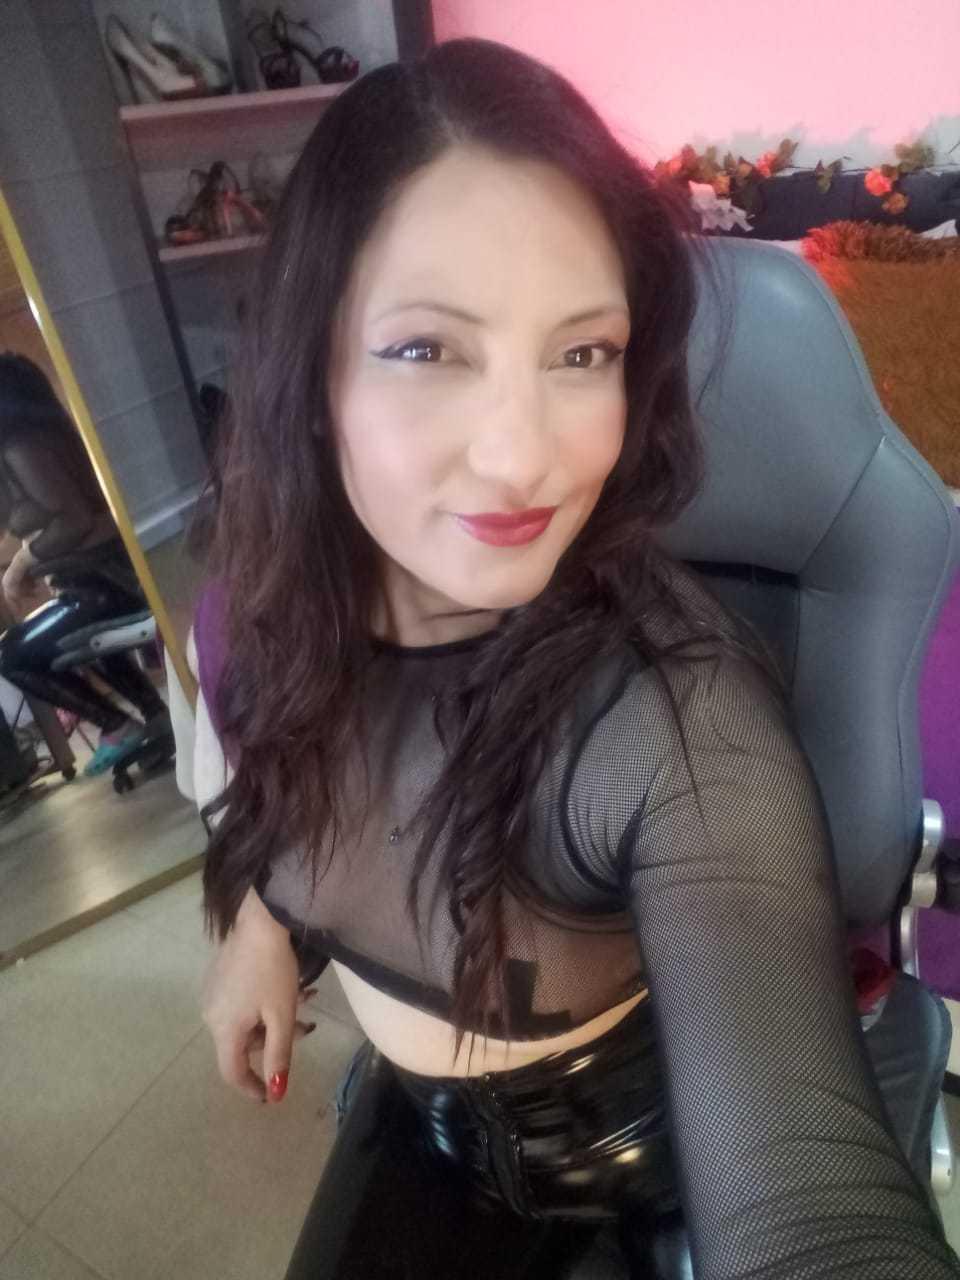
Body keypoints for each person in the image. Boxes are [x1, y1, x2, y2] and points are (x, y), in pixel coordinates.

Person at [168, 38, 960, 1280]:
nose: (523, 457)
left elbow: (809, 1211)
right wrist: (259, 926)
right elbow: (294, 791)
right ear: (311, 373)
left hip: (642, 1158)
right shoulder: (255, 620)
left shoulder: (666, 719)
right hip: (416, 1130)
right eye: (428, 349)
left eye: (582, 353)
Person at [0, 351, 167, 776]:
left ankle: (116, 726)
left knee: (12, 656)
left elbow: (74, 520)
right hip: (101, 578)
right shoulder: (44, 439)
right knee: (64, 633)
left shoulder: (22, 446)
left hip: (106, 582)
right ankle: (153, 717)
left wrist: (21, 564)